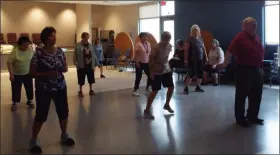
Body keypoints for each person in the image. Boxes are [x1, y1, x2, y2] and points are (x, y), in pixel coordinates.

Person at [29, 27, 74, 153]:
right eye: (51, 36)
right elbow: (32, 72)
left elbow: (64, 66)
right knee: (41, 114)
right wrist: (46, 75)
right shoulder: (38, 53)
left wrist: (64, 68)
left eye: (55, 35)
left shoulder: (59, 51)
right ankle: (33, 140)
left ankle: (64, 135)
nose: (54, 38)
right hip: (43, 88)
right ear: (45, 38)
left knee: (63, 112)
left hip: (60, 86)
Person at [219, 17, 264, 127]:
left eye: (255, 24)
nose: (255, 26)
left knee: (256, 94)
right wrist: (225, 64)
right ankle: (240, 119)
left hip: (256, 69)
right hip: (244, 69)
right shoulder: (240, 37)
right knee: (242, 95)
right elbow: (230, 51)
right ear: (245, 26)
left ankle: (252, 116)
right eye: (253, 24)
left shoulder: (255, 37)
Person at [144, 31, 174, 119]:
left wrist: (168, 66)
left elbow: (166, 57)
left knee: (171, 87)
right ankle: (146, 110)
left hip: (166, 69)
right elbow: (150, 61)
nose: (166, 43)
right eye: (165, 41)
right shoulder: (155, 47)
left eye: (168, 41)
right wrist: (151, 72)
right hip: (156, 70)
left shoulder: (169, 46)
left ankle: (167, 105)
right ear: (162, 39)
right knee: (155, 91)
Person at [7, 36, 34, 111]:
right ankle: (14, 103)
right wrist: (11, 74)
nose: (26, 46)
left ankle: (29, 101)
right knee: (16, 89)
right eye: (25, 45)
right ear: (20, 44)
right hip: (17, 74)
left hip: (28, 73)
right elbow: (9, 62)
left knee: (29, 88)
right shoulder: (15, 51)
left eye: (27, 44)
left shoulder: (30, 49)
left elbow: (32, 60)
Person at [183, 24, 208, 94]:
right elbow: (186, 50)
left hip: (200, 59)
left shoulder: (200, 38)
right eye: (194, 30)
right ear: (192, 31)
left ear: (199, 31)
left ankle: (198, 86)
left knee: (200, 73)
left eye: (197, 30)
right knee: (191, 73)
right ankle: (186, 87)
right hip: (192, 59)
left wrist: (206, 57)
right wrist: (186, 60)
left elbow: (203, 48)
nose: (196, 31)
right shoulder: (189, 39)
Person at [73, 32, 99, 97]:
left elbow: (93, 54)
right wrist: (76, 63)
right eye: (86, 37)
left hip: (89, 65)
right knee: (81, 79)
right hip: (81, 65)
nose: (87, 39)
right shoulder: (78, 45)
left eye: (87, 37)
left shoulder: (90, 45)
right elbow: (74, 55)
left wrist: (95, 62)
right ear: (82, 37)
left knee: (91, 78)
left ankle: (91, 90)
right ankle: (80, 91)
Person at [132, 32, 152, 96]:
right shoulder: (138, 44)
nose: (146, 37)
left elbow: (149, 53)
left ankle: (147, 87)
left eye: (146, 36)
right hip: (139, 62)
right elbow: (136, 54)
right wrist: (136, 62)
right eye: (144, 36)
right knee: (138, 77)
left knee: (150, 75)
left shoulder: (148, 43)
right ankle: (135, 90)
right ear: (141, 38)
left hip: (147, 62)